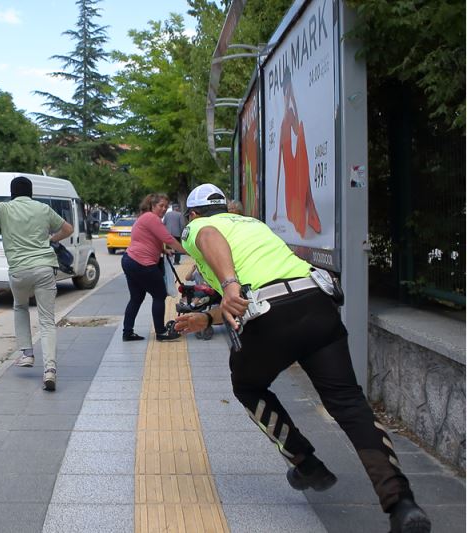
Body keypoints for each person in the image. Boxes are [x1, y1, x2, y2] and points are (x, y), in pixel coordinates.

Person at [173, 183, 430, 533]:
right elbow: (259, 290)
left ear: (192, 214)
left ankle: (305, 462)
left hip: (271, 320)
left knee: (247, 385)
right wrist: (207, 317)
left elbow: (212, 242)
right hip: (315, 302)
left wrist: (229, 282)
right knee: (349, 404)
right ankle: (402, 504)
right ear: (228, 207)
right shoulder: (253, 224)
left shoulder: (199, 227)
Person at [0, 176, 73, 391]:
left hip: (18, 270)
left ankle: (26, 354)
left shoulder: (4, 208)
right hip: (45, 267)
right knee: (47, 321)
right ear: (31, 192)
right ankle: (50, 370)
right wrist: (51, 240)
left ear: (12, 193)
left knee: (20, 306)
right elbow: (68, 229)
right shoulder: (42, 209)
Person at [121, 193, 187, 343]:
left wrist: (163, 250)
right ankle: (161, 332)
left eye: (166, 206)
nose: (164, 209)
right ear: (152, 205)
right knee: (159, 295)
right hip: (142, 263)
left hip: (130, 260)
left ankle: (127, 332)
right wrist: (188, 251)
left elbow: (148, 239)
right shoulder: (151, 218)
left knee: (136, 298)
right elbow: (168, 239)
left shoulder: (144, 217)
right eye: (160, 206)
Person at [271, 65, 321, 238]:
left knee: (301, 139)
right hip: (290, 168)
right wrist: (276, 209)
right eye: (286, 91)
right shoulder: (285, 121)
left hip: (294, 164)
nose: (287, 96)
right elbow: (279, 164)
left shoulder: (290, 116)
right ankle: (304, 213)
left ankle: (307, 212)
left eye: (289, 92)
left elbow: (298, 129)